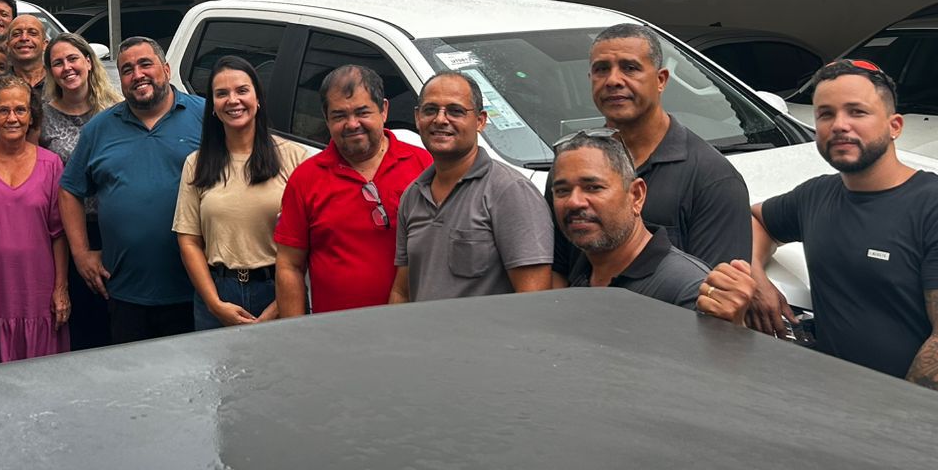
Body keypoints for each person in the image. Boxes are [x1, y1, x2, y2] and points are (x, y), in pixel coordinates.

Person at [749, 61, 938, 394]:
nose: (839, 126)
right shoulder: (815, 195)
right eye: (825, 114)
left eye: (857, 112)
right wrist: (755, 276)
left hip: (911, 420)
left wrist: (894, 426)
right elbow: (756, 219)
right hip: (828, 402)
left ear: (894, 126)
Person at [553, 23, 751, 279]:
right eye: (601, 69)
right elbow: (557, 270)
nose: (613, 81)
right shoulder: (573, 168)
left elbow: (714, 295)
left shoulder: (712, 178)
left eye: (630, 68)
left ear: (661, 80)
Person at [60, 37, 204, 343]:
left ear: (165, 69)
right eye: (127, 69)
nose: (137, 74)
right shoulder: (99, 128)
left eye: (145, 64)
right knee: (135, 384)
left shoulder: (204, 117)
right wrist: (81, 253)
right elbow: (70, 190)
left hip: (196, 287)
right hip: (125, 291)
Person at [548, 130, 753, 325]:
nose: (574, 202)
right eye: (562, 191)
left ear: (636, 195)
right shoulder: (584, 272)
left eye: (593, 188)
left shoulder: (687, 290)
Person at [275, 65, 431, 316]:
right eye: (339, 116)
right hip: (336, 337)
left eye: (362, 112)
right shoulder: (305, 179)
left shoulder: (424, 167)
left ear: (384, 110)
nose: (352, 124)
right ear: (326, 119)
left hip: (414, 329)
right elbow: (289, 265)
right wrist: (297, 335)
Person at [389, 72, 553, 304]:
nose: (440, 120)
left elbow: (533, 300)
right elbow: (402, 291)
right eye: (430, 110)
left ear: (480, 120)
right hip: (420, 339)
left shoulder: (510, 191)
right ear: (417, 118)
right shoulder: (413, 195)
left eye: (455, 111)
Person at [174, 56, 310, 329]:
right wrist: (214, 303)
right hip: (218, 292)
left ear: (258, 98)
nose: (232, 100)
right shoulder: (196, 163)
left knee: (282, 372)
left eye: (242, 90)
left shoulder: (294, 158)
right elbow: (189, 240)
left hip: (280, 289)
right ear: (212, 106)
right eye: (221, 94)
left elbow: (310, 240)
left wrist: (279, 305)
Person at [0, 75, 70, 366]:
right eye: (3, 110)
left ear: (32, 115)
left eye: (20, 110)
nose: (12, 118)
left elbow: (58, 234)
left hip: (36, 291)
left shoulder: (51, 163)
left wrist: (60, 288)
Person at [39, 33, 119, 350]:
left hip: (113, 227)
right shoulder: (41, 118)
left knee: (115, 314)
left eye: (73, 59)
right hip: (65, 233)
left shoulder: (115, 111)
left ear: (88, 62)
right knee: (81, 321)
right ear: (50, 72)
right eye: (57, 63)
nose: (67, 68)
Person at [6, 14, 48, 89]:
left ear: (44, 44)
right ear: (8, 45)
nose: (24, 38)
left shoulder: (59, 82)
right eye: (16, 34)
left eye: (33, 33)